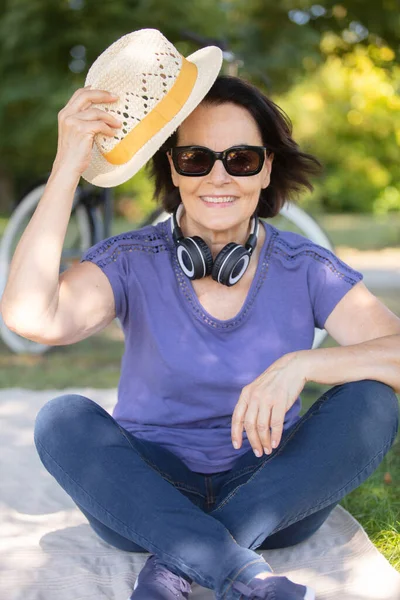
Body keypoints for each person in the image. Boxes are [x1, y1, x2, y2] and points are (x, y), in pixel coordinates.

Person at [2, 30, 400, 600]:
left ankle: (176, 569)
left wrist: (302, 363)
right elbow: (27, 315)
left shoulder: (305, 266)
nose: (219, 177)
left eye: (241, 159)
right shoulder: (130, 259)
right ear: (175, 169)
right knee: (61, 419)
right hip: (147, 495)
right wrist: (69, 164)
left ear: (266, 171)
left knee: (371, 403)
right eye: (196, 158)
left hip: (272, 495)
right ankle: (244, 576)